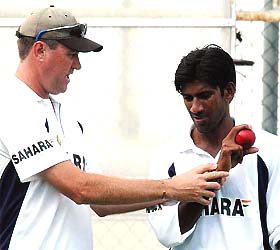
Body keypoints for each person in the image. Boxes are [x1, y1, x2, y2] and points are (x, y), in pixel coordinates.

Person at [0, 7, 231, 250]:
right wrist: (171, 187)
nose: (78, 65)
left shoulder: (65, 117)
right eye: (72, 54)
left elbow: (103, 204)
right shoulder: (12, 106)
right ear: (40, 50)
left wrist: (187, 188)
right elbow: (80, 188)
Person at [147, 44, 280, 249]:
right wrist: (218, 172)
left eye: (204, 96)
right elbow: (169, 234)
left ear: (228, 92)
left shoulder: (269, 150)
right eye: (188, 98)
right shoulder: (167, 157)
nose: (195, 107)